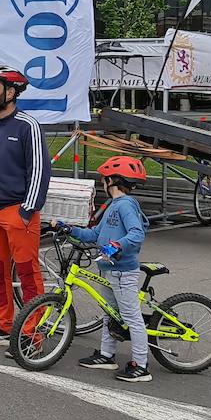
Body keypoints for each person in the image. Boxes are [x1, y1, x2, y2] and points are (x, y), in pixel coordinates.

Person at [0, 65, 50, 346]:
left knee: (28, 275)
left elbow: (39, 170)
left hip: (18, 212)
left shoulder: (28, 126)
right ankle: (3, 326)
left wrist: (27, 210)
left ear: (11, 92)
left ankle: (31, 334)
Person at [53, 155, 151, 383]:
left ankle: (141, 365)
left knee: (130, 316)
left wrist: (117, 245)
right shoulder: (113, 206)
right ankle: (107, 355)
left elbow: (136, 234)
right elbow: (95, 235)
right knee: (109, 311)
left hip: (123, 270)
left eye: (104, 179)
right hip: (108, 268)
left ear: (113, 181)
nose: (102, 183)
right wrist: (71, 229)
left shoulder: (125, 205)